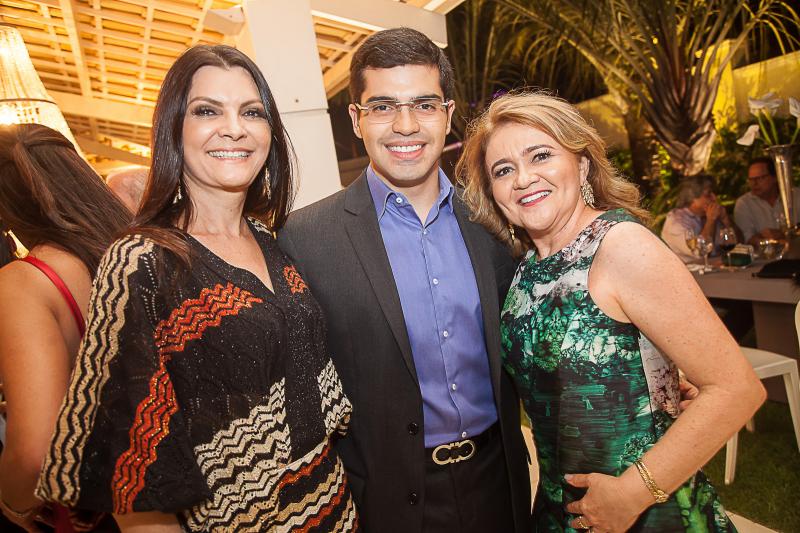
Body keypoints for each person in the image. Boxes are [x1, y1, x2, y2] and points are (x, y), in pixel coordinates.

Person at [35, 45, 356, 532]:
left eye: (252, 112)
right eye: (207, 111)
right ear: (173, 130)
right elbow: (132, 475)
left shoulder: (268, 239)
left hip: (335, 511)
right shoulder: (143, 262)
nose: (234, 128)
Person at [459, 91, 765, 533]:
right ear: (493, 192)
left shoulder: (621, 246)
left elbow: (737, 389)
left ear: (582, 164)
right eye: (503, 170)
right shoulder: (527, 265)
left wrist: (632, 494)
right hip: (560, 513)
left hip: (647, 514)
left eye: (541, 155)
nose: (523, 178)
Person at [278, 28, 530, 533]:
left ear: (448, 114)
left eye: (424, 104)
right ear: (356, 119)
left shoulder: (496, 221)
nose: (406, 125)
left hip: (498, 481)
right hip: (383, 499)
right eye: (383, 106)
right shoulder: (304, 238)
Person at [0, 123, 131, 532]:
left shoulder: (25, 282)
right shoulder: (143, 250)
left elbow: (37, 452)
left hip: (103, 511)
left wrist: (12, 505)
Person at [660, 174, 737, 263]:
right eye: (708, 194)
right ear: (693, 198)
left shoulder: (711, 214)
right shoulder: (676, 221)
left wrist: (726, 219)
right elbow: (700, 252)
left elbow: (738, 243)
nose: (714, 198)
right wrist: (711, 220)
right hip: (688, 270)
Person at [734, 156, 800, 245]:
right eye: (751, 179)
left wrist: (784, 234)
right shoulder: (744, 204)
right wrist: (767, 239)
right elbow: (746, 239)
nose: (754, 183)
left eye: (760, 178)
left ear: (775, 177)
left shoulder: (795, 195)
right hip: (765, 254)